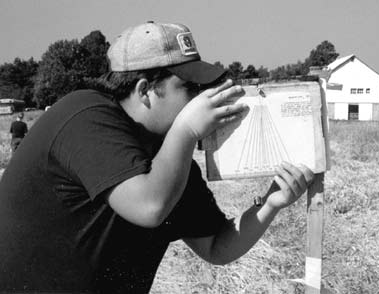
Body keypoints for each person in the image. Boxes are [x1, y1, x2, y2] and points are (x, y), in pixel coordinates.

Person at [0, 22, 314, 293]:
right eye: (190, 87)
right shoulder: (84, 115)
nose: (201, 97)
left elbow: (217, 246)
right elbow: (149, 206)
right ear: (145, 90)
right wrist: (187, 129)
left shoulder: (170, 162)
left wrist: (271, 203)